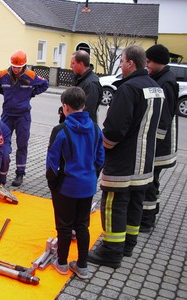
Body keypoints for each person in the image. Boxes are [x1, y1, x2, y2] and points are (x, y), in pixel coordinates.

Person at [87, 45, 164, 268]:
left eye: (121, 60)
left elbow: (115, 128)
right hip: (145, 161)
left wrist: (104, 147)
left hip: (124, 161)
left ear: (131, 63)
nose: (120, 64)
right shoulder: (155, 87)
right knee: (134, 203)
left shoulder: (128, 89)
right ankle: (128, 245)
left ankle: (111, 251)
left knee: (114, 204)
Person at [46, 87, 105, 279]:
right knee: (82, 226)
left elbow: (52, 163)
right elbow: (100, 159)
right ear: (84, 105)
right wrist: (90, 176)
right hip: (87, 186)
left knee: (63, 227)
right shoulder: (96, 129)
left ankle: (62, 263)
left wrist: (53, 185)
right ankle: (82, 265)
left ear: (65, 107)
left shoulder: (60, 131)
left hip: (66, 187)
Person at [0, 50, 49, 187]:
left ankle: (20, 173)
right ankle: (0, 170)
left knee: (22, 145)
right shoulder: (3, 75)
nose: (16, 69)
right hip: (7, 115)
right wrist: (3, 91)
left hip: (23, 116)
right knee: (2, 143)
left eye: (18, 67)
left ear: (24, 66)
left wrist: (32, 93)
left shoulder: (31, 76)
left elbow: (45, 84)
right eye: (14, 66)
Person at [140, 44, 179, 232]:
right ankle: (149, 214)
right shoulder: (160, 78)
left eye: (149, 62)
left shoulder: (166, 82)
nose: (146, 65)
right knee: (151, 181)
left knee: (149, 182)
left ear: (159, 62)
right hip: (157, 145)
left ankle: (146, 221)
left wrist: (151, 141)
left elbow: (164, 117)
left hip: (158, 146)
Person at [59, 50, 103, 124]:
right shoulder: (79, 78)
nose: (70, 66)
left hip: (81, 127)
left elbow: (88, 111)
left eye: (73, 63)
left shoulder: (91, 84)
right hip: (75, 124)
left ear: (81, 64)